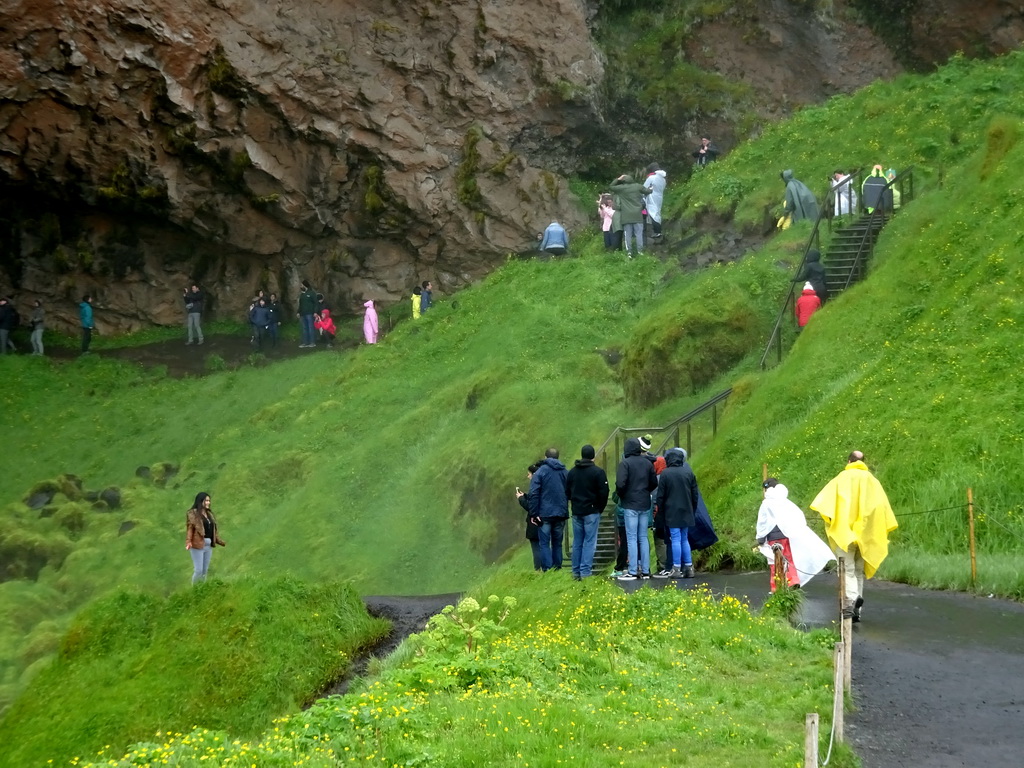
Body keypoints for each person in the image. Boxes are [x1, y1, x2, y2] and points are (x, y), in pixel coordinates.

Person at [810, 451, 898, 622]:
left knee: (846, 570)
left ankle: (851, 601)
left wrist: (832, 521)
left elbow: (825, 505)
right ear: (864, 462)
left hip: (844, 534)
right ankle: (858, 609)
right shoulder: (873, 481)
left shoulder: (841, 479)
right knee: (858, 571)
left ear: (849, 461)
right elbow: (882, 509)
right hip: (866, 535)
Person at [756, 478, 834, 592]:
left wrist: (760, 537)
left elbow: (763, 521)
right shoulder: (785, 501)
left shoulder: (766, 503)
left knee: (774, 561)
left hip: (773, 537)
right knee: (788, 559)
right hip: (787, 536)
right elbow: (797, 515)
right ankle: (793, 581)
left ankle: (777, 588)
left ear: (767, 489)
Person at [615, 437, 657, 580]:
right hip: (645, 503)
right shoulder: (647, 464)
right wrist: (645, 492)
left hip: (630, 504)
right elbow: (653, 483)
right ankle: (645, 570)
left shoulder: (625, 464)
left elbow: (620, 484)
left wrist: (624, 495)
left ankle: (633, 571)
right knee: (643, 537)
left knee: (631, 537)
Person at [653, 447, 699, 579]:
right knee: (685, 539)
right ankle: (689, 567)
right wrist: (692, 509)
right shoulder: (688, 472)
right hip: (687, 510)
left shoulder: (666, 474)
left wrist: (660, 511)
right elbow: (695, 494)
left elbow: (660, 496)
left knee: (675, 539)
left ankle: (676, 568)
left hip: (671, 512)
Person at [566, 444, 609, 580]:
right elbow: (604, 492)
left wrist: (574, 502)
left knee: (578, 541)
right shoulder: (598, 472)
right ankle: (585, 572)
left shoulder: (572, 472)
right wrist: (599, 508)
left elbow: (567, 491)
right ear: (593, 456)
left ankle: (575, 571)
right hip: (591, 511)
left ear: (582, 455)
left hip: (577, 511)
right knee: (590, 542)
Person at [528, 447, 569, 572]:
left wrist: (534, 513)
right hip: (561, 513)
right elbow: (569, 490)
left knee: (544, 543)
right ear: (558, 457)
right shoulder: (565, 472)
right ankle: (558, 569)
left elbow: (534, 493)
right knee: (558, 543)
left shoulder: (540, 472)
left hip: (544, 514)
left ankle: (548, 570)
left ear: (545, 457)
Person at [185, 492, 226, 585]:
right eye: (206, 500)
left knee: (204, 571)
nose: (208, 503)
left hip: (208, 545)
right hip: (198, 544)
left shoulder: (209, 515)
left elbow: (213, 530)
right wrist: (188, 541)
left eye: (209, 501)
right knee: (198, 570)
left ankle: (202, 588)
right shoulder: (193, 514)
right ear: (200, 501)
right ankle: (194, 590)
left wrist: (220, 541)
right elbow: (190, 529)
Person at [610, 174, 648, 258]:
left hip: (626, 217)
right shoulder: (637, 186)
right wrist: (651, 189)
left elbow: (611, 187)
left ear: (623, 181)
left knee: (628, 235)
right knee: (639, 234)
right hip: (638, 215)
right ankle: (640, 251)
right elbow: (648, 191)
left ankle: (629, 253)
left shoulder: (621, 189)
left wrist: (618, 179)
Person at [515, 462, 544, 571]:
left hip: (535, 521)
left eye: (529, 474)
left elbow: (531, 506)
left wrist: (521, 499)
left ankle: (538, 570)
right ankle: (548, 567)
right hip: (545, 518)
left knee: (536, 547)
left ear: (534, 474)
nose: (528, 476)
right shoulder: (545, 485)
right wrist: (525, 496)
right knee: (544, 545)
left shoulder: (535, 487)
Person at [643, 164, 667, 239]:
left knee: (653, 213)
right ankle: (658, 231)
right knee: (657, 213)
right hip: (659, 197)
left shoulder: (651, 178)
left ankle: (657, 232)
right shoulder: (663, 179)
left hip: (651, 196)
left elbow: (644, 188)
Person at [298, 280, 318, 348]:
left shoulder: (312, 293)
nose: (300, 286)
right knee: (304, 328)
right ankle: (305, 342)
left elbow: (316, 303)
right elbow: (300, 304)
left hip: (310, 313)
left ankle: (312, 342)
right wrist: (298, 312)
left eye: (301, 285)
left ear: (305, 285)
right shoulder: (302, 295)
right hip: (303, 314)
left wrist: (315, 312)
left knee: (311, 328)